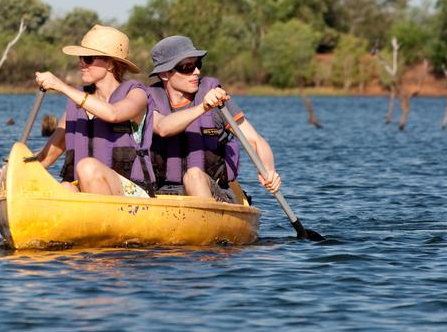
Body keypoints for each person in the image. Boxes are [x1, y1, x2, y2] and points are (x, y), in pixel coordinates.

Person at [148, 35, 282, 202]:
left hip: (214, 191)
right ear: (164, 74)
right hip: (162, 194)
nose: (196, 71)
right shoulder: (147, 100)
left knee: (194, 175)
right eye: (187, 67)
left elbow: (255, 140)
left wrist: (268, 170)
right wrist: (202, 107)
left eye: (197, 64)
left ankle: (203, 223)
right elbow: (163, 128)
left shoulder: (217, 99)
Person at [29, 25, 157, 197]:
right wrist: (15, 169)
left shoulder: (137, 94)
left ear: (110, 64)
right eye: (81, 58)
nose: (82, 63)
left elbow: (113, 114)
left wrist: (61, 86)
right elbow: (45, 158)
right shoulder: (77, 106)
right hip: (87, 190)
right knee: (65, 188)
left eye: (88, 59)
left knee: (87, 167)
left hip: (132, 193)